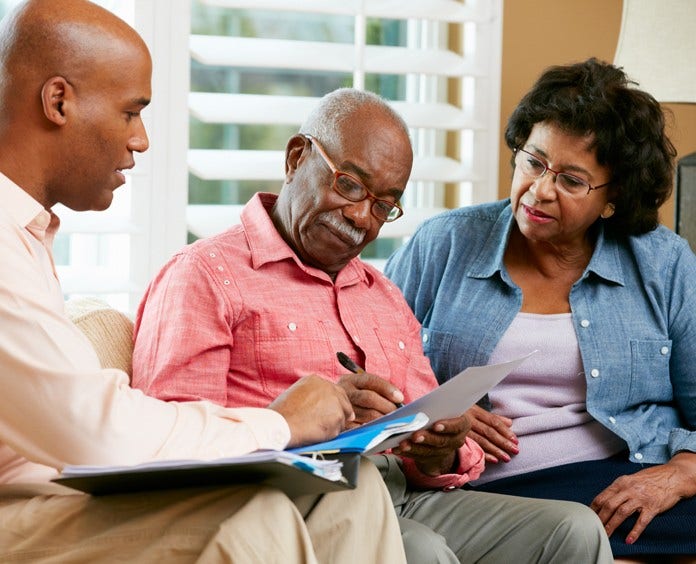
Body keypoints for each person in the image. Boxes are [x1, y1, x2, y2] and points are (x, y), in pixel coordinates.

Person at [132, 87, 614, 563]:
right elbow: (168, 442)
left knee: (574, 529)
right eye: (348, 184)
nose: (362, 217)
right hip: (294, 502)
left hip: (403, 491)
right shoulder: (204, 275)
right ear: (297, 157)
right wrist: (303, 421)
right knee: (421, 551)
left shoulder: (381, 295)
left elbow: (439, 442)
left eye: (383, 205)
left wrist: (441, 447)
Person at [0, 1, 409, 562]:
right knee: (259, 516)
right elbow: (94, 430)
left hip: (55, 492)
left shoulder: (25, 232)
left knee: (350, 491)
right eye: (130, 112)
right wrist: (276, 423)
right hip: (22, 507)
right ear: (58, 101)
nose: (141, 140)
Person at [384, 58, 696, 562]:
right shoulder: (445, 242)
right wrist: (439, 408)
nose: (540, 189)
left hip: (619, 476)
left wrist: (681, 472)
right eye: (534, 162)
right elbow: (365, 360)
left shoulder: (663, 263)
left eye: (572, 181)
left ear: (612, 198)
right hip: (477, 487)